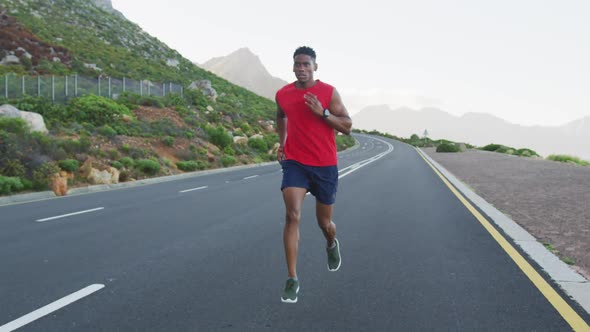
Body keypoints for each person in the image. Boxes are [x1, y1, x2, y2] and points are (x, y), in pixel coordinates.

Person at [275, 46, 353, 303]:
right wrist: (282, 142)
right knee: (292, 215)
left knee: (324, 223)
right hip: (295, 162)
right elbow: (281, 116)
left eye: (306, 64)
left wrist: (324, 113)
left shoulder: (328, 92)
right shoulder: (283, 94)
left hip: (324, 165)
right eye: (297, 64)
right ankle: (292, 278)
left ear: (315, 67)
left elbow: (348, 127)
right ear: (293, 66)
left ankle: (331, 243)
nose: (301, 68)